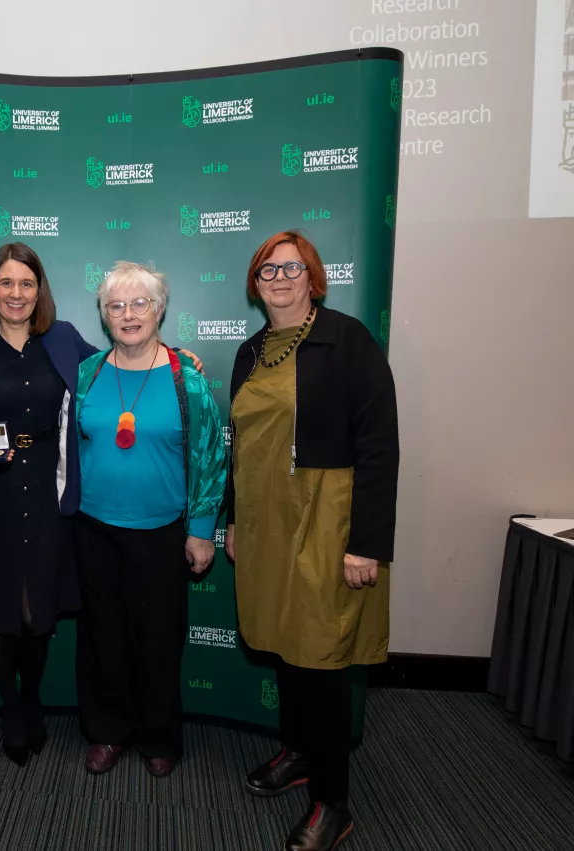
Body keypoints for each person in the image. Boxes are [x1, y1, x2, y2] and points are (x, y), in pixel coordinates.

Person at [226, 231, 398, 851]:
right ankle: (298, 752)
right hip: (266, 520)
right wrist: (234, 521)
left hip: (328, 522)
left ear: (313, 276)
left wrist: (367, 543)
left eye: (291, 268)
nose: (279, 278)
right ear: (255, 281)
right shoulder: (250, 352)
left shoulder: (347, 340)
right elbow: (238, 450)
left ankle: (334, 801)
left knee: (320, 656)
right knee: (282, 643)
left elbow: (380, 446)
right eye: (267, 270)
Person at [73, 261, 226, 778]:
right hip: (94, 528)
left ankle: (158, 736)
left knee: (159, 639)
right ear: (104, 316)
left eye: (140, 303)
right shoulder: (89, 371)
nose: (128, 314)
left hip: (162, 533)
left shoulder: (188, 379)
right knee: (103, 638)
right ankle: (107, 732)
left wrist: (202, 532)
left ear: (160, 309)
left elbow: (209, 456)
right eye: (116, 306)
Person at [0, 243, 95, 766]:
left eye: (26, 284)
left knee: (39, 607)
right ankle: (11, 706)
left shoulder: (64, 338)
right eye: (6, 284)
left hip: (49, 484)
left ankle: (30, 695)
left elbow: (111, 372)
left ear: (40, 291)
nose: (16, 294)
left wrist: (170, 359)